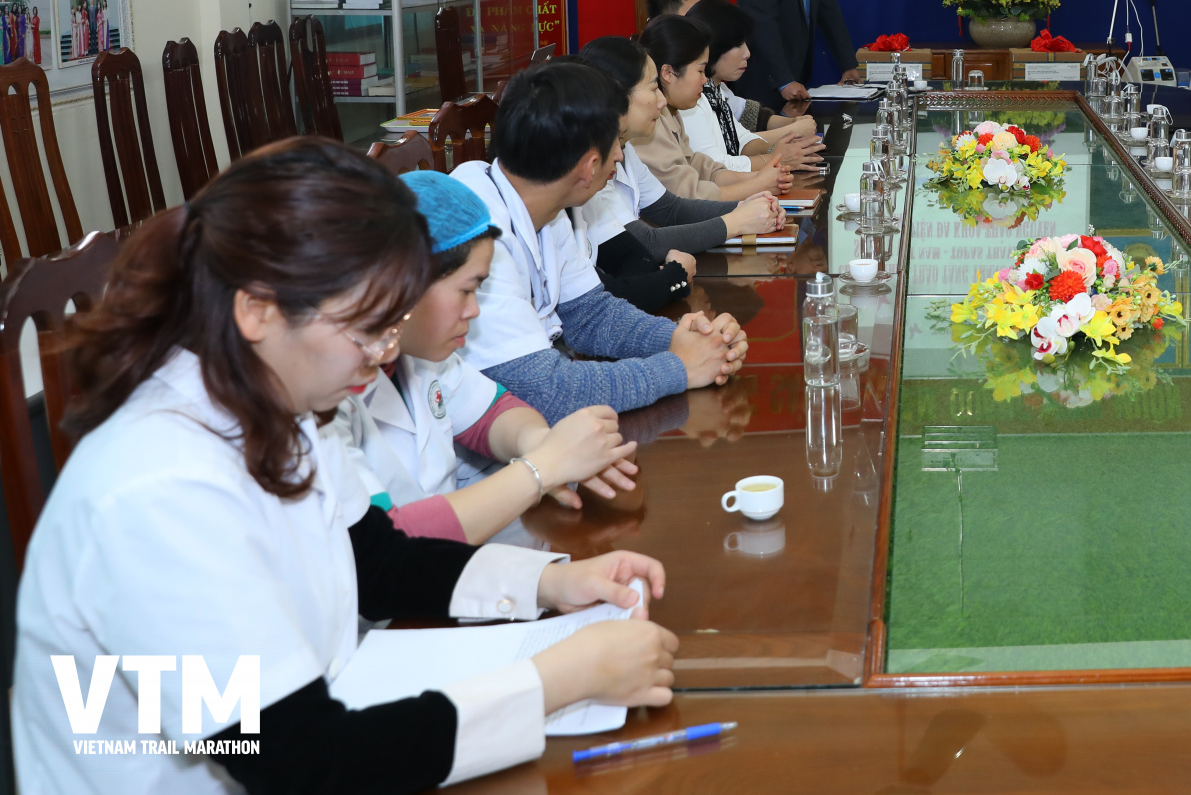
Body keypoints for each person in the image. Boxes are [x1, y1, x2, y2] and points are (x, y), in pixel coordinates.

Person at [14, 140, 679, 793]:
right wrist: (555, 681)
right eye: (367, 329)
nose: (385, 354)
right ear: (258, 309)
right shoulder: (156, 489)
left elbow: (376, 564)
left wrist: (550, 583)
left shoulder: (283, 401)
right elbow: (292, 758)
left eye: (393, 324)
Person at [334, 170, 646, 544]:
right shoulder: (324, 399)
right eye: (466, 291)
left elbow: (491, 412)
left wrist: (541, 441)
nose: (474, 311)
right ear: (406, 282)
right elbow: (384, 541)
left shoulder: (422, 355)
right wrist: (541, 468)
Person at [451, 62, 750, 421]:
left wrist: (681, 339)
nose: (621, 156)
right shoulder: (475, 232)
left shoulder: (547, 203)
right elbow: (547, 390)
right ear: (590, 166)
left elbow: (591, 315)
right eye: (617, 143)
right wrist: (680, 368)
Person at [573, 34, 786, 265]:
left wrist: (746, 207)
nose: (662, 100)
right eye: (653, 88)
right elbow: (644, 243)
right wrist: (738, 221)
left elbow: (670, 208)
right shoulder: (589, 163)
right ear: (617, 96)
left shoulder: (627, 148)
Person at [636, 15, 794, 201]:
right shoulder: (651, 121)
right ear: (668, 73)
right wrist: (758, 183)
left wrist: (759, 177)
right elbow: (687, 196)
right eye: (700, 71)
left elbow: (702, 168)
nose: (705, 80)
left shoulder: (671, 112)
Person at [681, 0, 824, 174]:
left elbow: (742, 140)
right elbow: (715, 167)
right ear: (713, 47)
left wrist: (785, 146)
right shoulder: (692, 98)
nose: (747, 53)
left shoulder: (715, 91)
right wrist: (782, 148)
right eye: (737, 45)